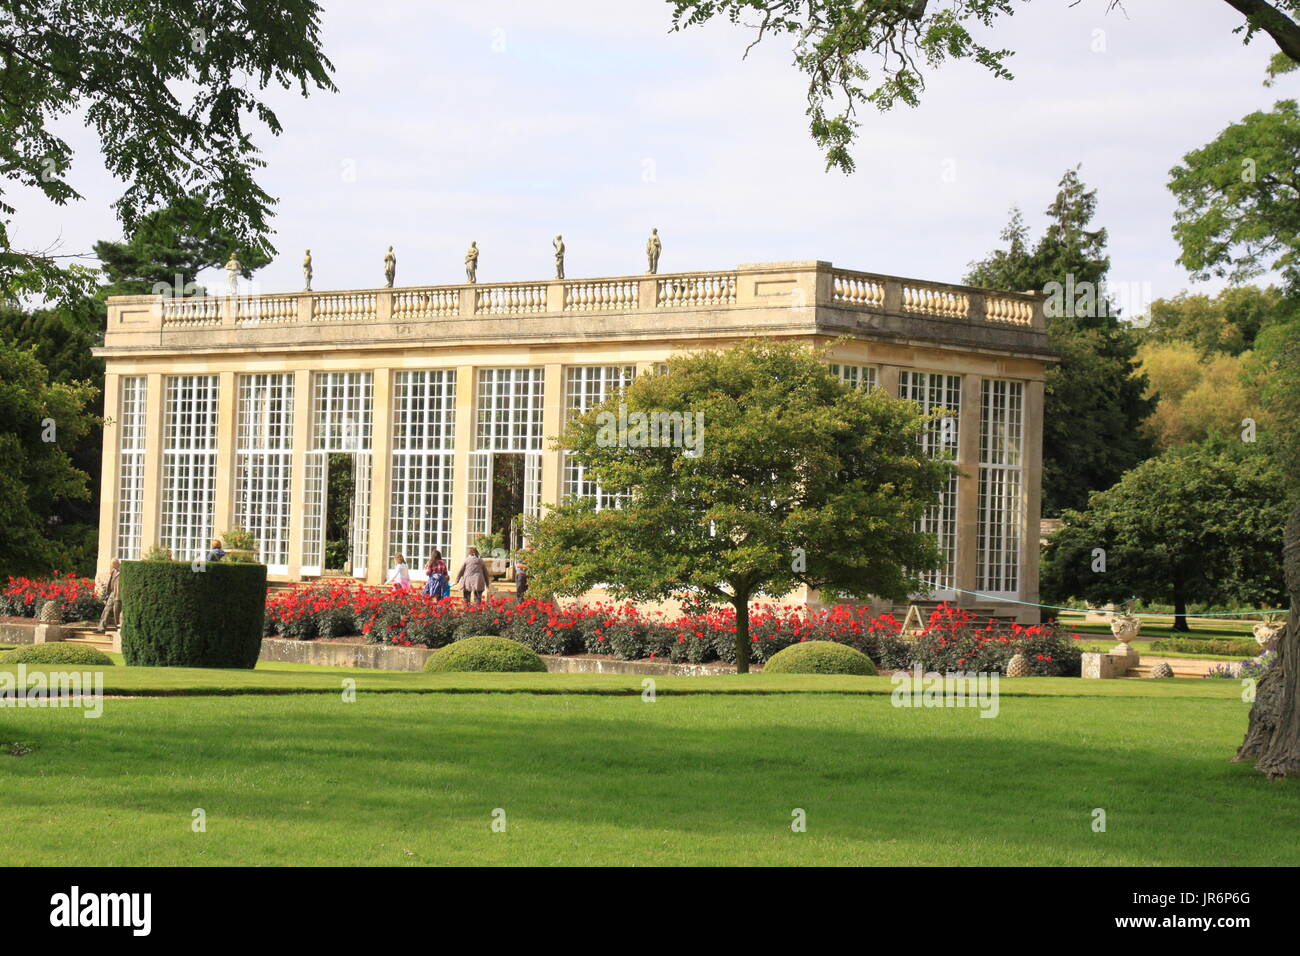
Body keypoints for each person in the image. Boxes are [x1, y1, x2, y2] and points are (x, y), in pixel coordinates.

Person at [97, 559, 122, 633]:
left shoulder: (122, 571)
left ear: (117, 564)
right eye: (112, 564)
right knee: (106, 610)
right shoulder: (114, 571)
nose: (113, 566)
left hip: (119, 594)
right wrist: (108, 593)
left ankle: (118, 628)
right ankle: (101, 628)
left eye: (114, 564)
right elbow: (110, 582)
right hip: (112, 593)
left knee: (116, 612)